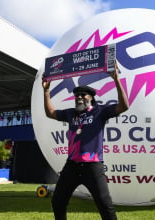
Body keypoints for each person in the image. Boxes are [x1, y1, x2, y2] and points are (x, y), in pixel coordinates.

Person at [42, 61, 129, 220]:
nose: (79, 97)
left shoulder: (100, 111)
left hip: (93, 166)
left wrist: (116, 79)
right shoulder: (70, 114)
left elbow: (124, 106)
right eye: (77, 95)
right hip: (71, 166)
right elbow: (51, 113)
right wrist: (46, 91)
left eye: (83, 95)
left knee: (105, 204)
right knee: (58, 201)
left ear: (91, 97)